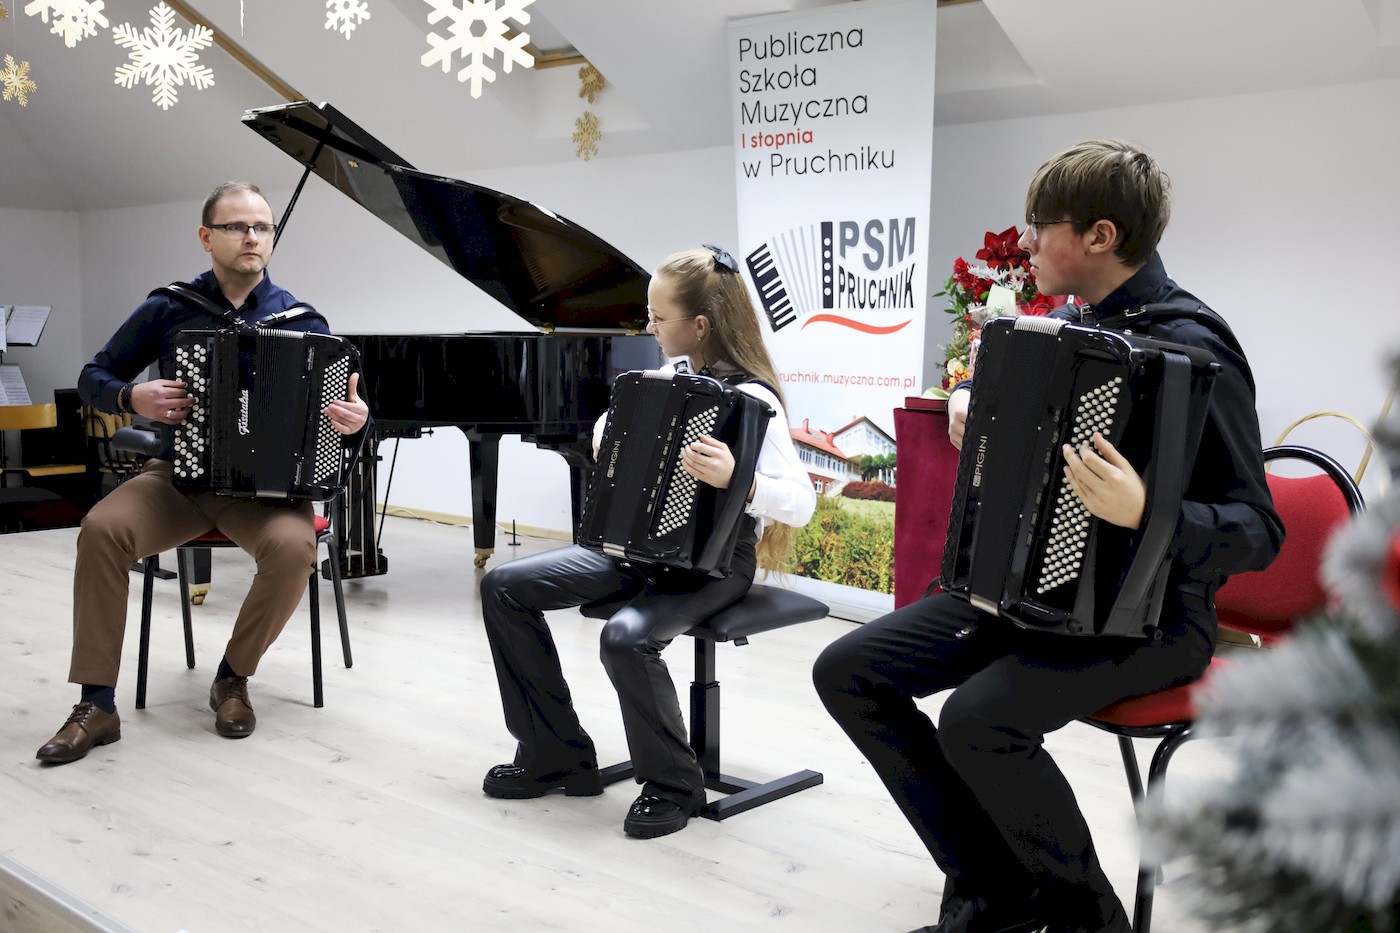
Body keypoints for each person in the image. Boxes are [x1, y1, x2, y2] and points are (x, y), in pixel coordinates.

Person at [813, 140, 1285, 933]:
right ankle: (994, 886)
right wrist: (971, 402)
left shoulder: (1195, 345)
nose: (1025, 240)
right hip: (1030, 595)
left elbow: (1259, 532)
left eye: (1039, 224)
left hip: (1153, 620)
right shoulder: (1063, 329)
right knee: (848, 670)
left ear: (1100, 236)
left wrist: (1148, 512)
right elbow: (1011, 416)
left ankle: (1087, 917)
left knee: (977, 719)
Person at [478, 245, 816, 839]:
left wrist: (739, 480)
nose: (649, 326)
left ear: (700, 325)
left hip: (713, 562)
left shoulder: (752, 401)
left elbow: (802, 502)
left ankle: (673, 785)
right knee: (504, 586)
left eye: (659, 317)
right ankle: (554, 752)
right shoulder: (660, 383)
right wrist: (612, 430)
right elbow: (609, 440)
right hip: (634, 549)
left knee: (625, 637)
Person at [35, 181, 369, 765]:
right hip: (177, 477)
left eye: (261, 227)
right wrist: (131, 397)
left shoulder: (303, 320)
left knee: (294, 549)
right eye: (237, 226)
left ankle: (232, 677)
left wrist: (356, 420)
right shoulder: (169, 307)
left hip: (265, 492)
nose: (251, 237)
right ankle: (97, 704)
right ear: (206, 237)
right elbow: (94, 376)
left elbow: (346, 414)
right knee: (102, 529)